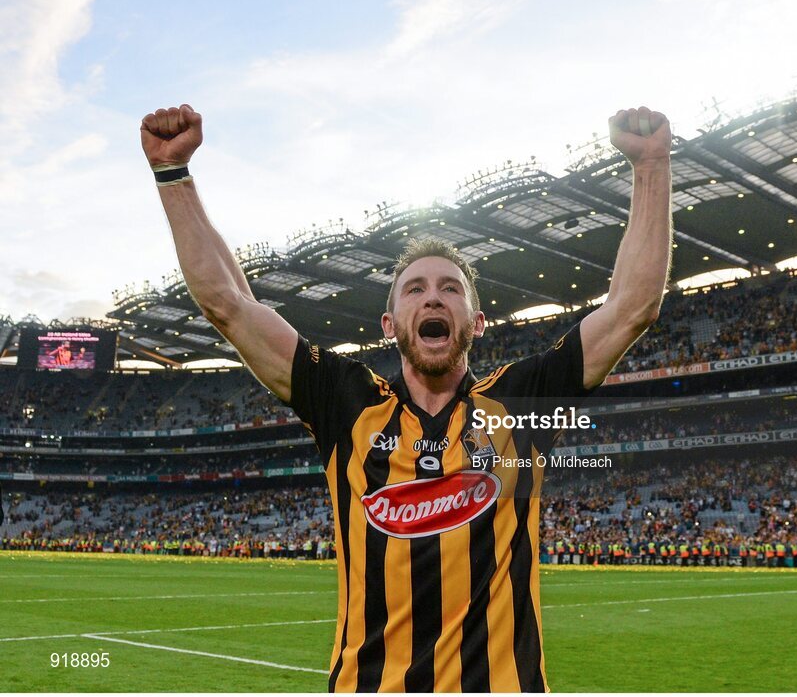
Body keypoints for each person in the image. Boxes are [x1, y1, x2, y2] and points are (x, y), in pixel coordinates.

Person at [140, 103, 671, 692]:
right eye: (415, 289)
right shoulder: (346, 403)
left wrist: (651, 166)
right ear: (391, 324)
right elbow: (230, 305)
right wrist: (173, 176)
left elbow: (633, 307)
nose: (433, 298)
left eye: (450, 288)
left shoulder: (520, 402)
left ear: (477, 319)